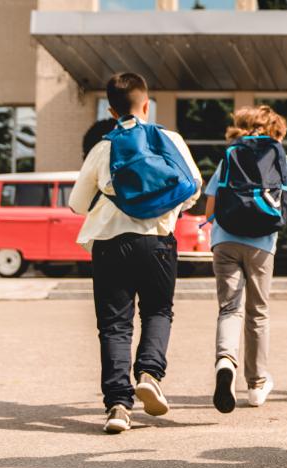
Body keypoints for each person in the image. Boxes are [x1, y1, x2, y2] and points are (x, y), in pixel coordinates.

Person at [69, 72, 202, 433]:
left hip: (111, 243)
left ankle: (117, 407)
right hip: (158, 241)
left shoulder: (103, 147)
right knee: (158, 310)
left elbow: (76, 204)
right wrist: (164, 209)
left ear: (111, 110)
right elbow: (193, 187)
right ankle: (149, 373)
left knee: (114, 324)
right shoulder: (168, 139)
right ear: (147, 104)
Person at [204, 105, 287, 413]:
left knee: (229, 308)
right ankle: (256, 385)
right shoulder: (283, 158)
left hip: (225, 240)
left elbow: (210, 205)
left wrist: (214, 230)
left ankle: (225, 362)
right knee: (257, 313)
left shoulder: (230, 154)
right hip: (261, 243)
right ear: (276, 133)